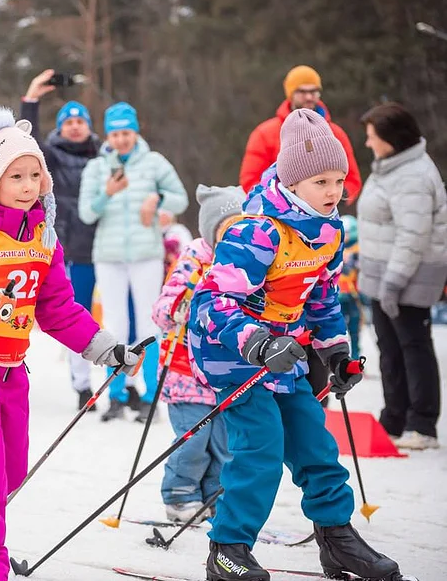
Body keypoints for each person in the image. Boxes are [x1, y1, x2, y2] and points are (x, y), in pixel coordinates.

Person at [0, 105, 143, 580]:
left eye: (34, 174)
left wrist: (107, 348)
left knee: (8, 473)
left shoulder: (43, 235)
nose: (28, 185)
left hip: (8, 367)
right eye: (14, 176)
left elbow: (59, 307)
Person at [190, 109, 402, 581]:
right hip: (231, 355)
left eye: (339, 180)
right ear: (291, 182)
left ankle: (337, 539)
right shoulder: (257, 232)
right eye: (321, 182)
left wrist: (336, 352)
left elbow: (323, 295)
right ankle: (228, 549)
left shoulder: (329, 231)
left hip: (284, 351)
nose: (333, 192)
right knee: (261, 448)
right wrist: (258, 343)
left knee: (316, 446)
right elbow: (210, 303)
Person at [79, 102, 188, 422]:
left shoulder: (153, 163)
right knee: (115, 326)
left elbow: (179, 196)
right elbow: (87, 213)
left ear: (136, 132)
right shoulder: (97, 168)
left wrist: (158, 201)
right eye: (115, 134)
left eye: (126, 132)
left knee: (148, 324)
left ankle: (152, 396)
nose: (121, 140)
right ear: (108, 136)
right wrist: (108, 194)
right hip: (109, 256)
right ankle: (117, 395)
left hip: (146, 254)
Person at [357, 102, 447, 451]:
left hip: (406, 279)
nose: (367, 143)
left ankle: (422, 423)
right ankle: (394, 417)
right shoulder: (389, 168)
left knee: (413, 347)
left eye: (371, 137)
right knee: (389, 349)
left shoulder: (413, 176)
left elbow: (413, 236)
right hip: (382, 277)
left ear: (391, 139)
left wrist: (393, 282)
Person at [152, 185, 241, 524]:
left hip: (224, 372)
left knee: (223, 443)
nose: (234, 237)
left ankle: (213, 496)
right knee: (194, 439)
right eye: (226, 230)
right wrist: (180, 307)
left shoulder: (249, 261)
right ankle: (179, 495)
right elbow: (163, 306)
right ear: (210, 229)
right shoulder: (194, 259)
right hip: (185, 370)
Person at [20, 69, 102, 410]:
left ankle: (126, 387)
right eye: (68, 122)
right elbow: (29, 141)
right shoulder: (49, 154)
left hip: (106, 246)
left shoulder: (103, 153)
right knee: (77, 315)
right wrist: (31, 100)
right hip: (72, 248)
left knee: (119, 317)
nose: (74, 126)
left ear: (87, 125)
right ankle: (82, 385)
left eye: (79, 121)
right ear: (61, 127)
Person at [239, 66, 362, 202]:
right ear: (290, 94)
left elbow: (352, 179)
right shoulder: (264, 134)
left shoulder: (336, 133)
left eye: (313, 91)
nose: (309, 97)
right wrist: (280, 204)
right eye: (302, 91)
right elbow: (250, 180)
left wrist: (338, 198)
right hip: (280, 215)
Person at [337, 215, 362, 360]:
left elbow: (356, 270)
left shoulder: (358, 249)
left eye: (347, 232)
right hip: (338, 295)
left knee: (354, 328)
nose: (345, 236)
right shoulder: (335, 246)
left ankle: (356, 357)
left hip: (353, 295)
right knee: (339, 329)